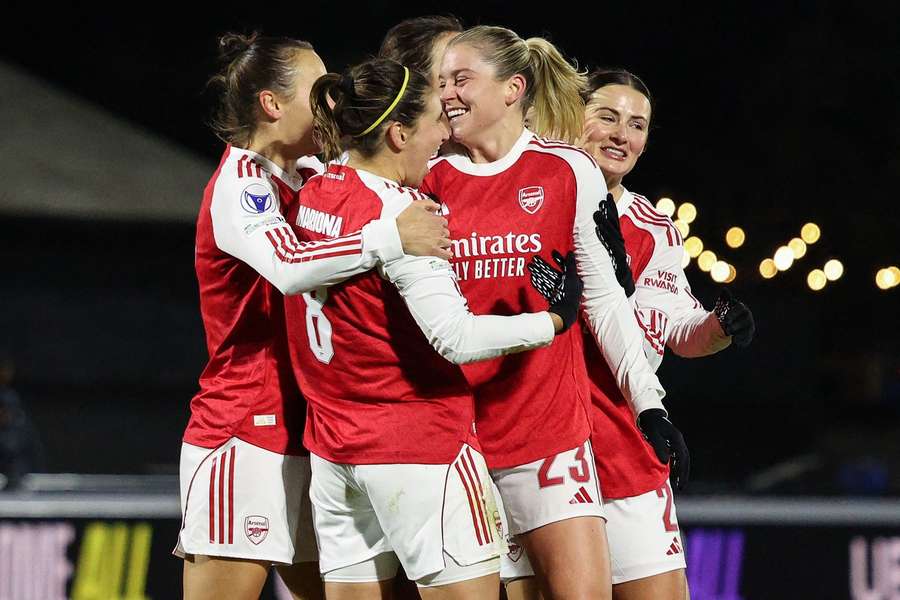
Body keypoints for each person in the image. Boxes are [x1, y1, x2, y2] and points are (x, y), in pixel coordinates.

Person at [284, 57, 583, 600]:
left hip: (334, 451)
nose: (444, 135)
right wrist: (553, 320)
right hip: (419, 446)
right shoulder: (407, 216)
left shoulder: (314, 192)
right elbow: (455, 338)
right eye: (433, 122)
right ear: (398, 134)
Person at [176, 33, 451, 600]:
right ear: (272, 104)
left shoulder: (307, 173)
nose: (333, 100)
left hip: (315, 432)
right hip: (246, 430)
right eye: (318, 90)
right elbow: (288, 267)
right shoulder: (241, 184)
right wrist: (389, 237)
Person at [422, 26, 684, 600]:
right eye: (441, 82)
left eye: (461, 80)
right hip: (458, 440)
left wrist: (649, 404)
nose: (446, 95)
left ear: (512, 88)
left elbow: (604, 302)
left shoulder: (567, 170)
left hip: (549, 438)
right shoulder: (427, 175)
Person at [500, 68, 756, 600]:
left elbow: (678, 327)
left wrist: (718, 327)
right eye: (608, 117)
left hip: (625, 446)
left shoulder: (653, 228)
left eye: (637, 125)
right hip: (537, 449)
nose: (622, 135)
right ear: (573, 117)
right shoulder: (527, 201)